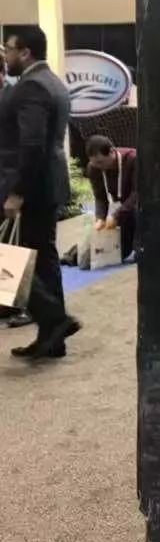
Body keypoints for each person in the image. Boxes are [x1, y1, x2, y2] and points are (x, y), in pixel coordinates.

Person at [0, 26, 81, 360]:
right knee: (43, 259)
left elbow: (32, 144)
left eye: (8, 49)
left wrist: (17, 192)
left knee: (12, 258)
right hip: (49, 183)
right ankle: (52, 338)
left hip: (31, 186)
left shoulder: (30, 86)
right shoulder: (54, 82)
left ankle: (54, 318)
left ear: (25, 52)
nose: (6, 55)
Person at [85, 135, 138, 261]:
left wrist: (116, 216)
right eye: (94, 163)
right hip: (123, 209)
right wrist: (100, 218)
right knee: (116, 252)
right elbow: (100, 197)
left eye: (101, 162)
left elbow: (138, 193)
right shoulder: (94, 168)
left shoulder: (133, 159)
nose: (99, 166)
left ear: (112, 152)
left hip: (138, 207)